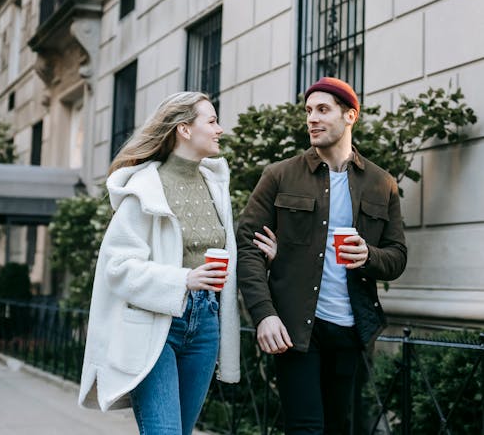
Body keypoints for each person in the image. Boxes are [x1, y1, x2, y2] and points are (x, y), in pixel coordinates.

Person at [236, 77, 407, 435]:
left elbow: (397, 257)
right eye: (308, 111)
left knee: (338, 427)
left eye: (323, 110)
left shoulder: (382, 183)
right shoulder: (279, 175)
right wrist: (264, 314)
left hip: (351, 329)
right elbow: (247, 247)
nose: (312, 118)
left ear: (350, 116)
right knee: (306, 428)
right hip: (297, 329)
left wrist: (369, 255)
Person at [78, 91, 240, 435]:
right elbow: (118, 267)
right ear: (183, 129)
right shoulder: (145, 188)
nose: (219, 129)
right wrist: (183, 279)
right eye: (211, 121)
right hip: (156, 326)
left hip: (206, 322)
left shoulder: (215, 185)